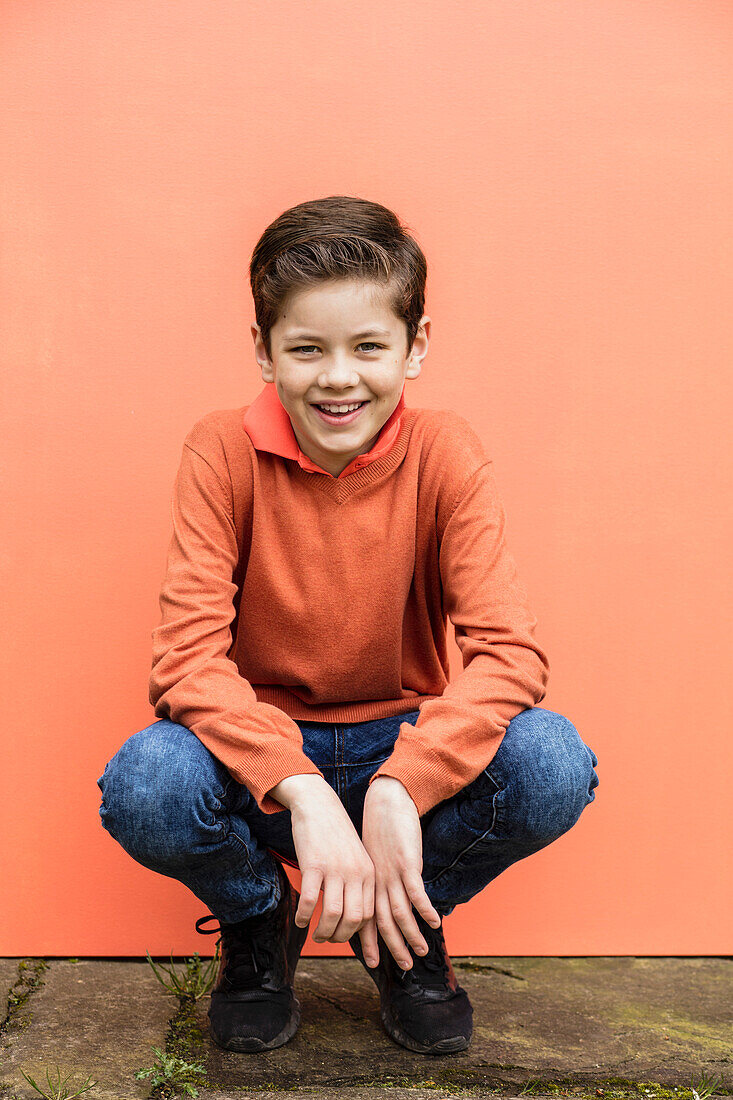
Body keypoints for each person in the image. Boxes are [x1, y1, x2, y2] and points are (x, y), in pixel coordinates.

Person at [96, 195, 599, 1057]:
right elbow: (186, 664)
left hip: (397, 741)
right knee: (147, 782)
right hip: (265, 749)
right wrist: (299, 791)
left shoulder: (445, 451)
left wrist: (403, 787)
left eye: (368, 346)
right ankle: (262, 922)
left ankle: (402, 926)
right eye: (305, 349)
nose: (338, 377)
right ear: (262, 351)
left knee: (551, 761)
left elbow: (507, 653)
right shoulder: (220, 451)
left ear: (416, 347)